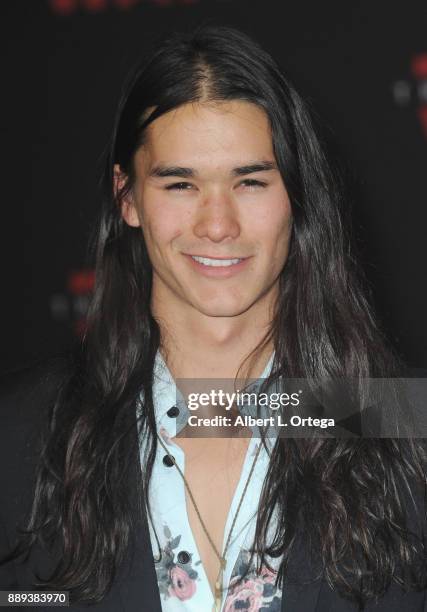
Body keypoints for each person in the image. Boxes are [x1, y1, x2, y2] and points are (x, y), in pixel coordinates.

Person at [0, 25, 426, 612]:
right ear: (127, 199)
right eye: (180, 183)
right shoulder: (23, 431)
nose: (218, 225)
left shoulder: (398, 422)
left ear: (297, 197)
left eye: (250, 181)